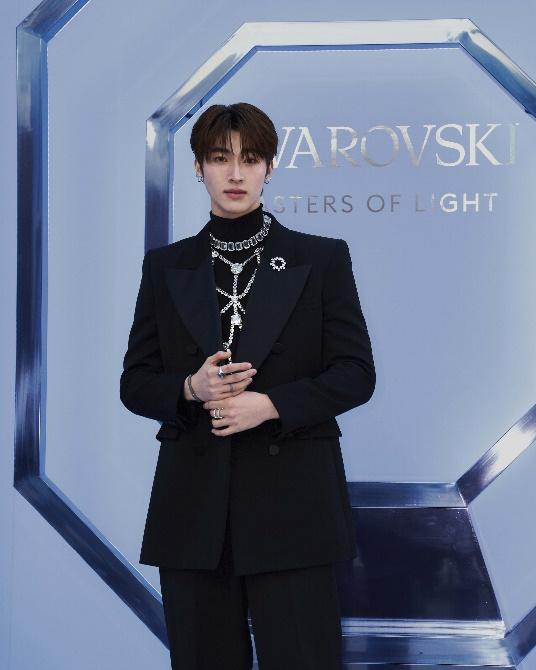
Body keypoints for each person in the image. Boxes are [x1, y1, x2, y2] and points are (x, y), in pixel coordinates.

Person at [120, 102, 376, 669]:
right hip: (194, 510)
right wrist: (191, 388)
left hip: (294, 506)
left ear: (269, 167)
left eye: (251, 158)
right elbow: (135, 382)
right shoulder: (165, 267)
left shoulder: (321, 258)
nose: (235, 173)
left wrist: (271, 404)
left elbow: (357, 373)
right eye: (220, 158)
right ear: (197, 168)